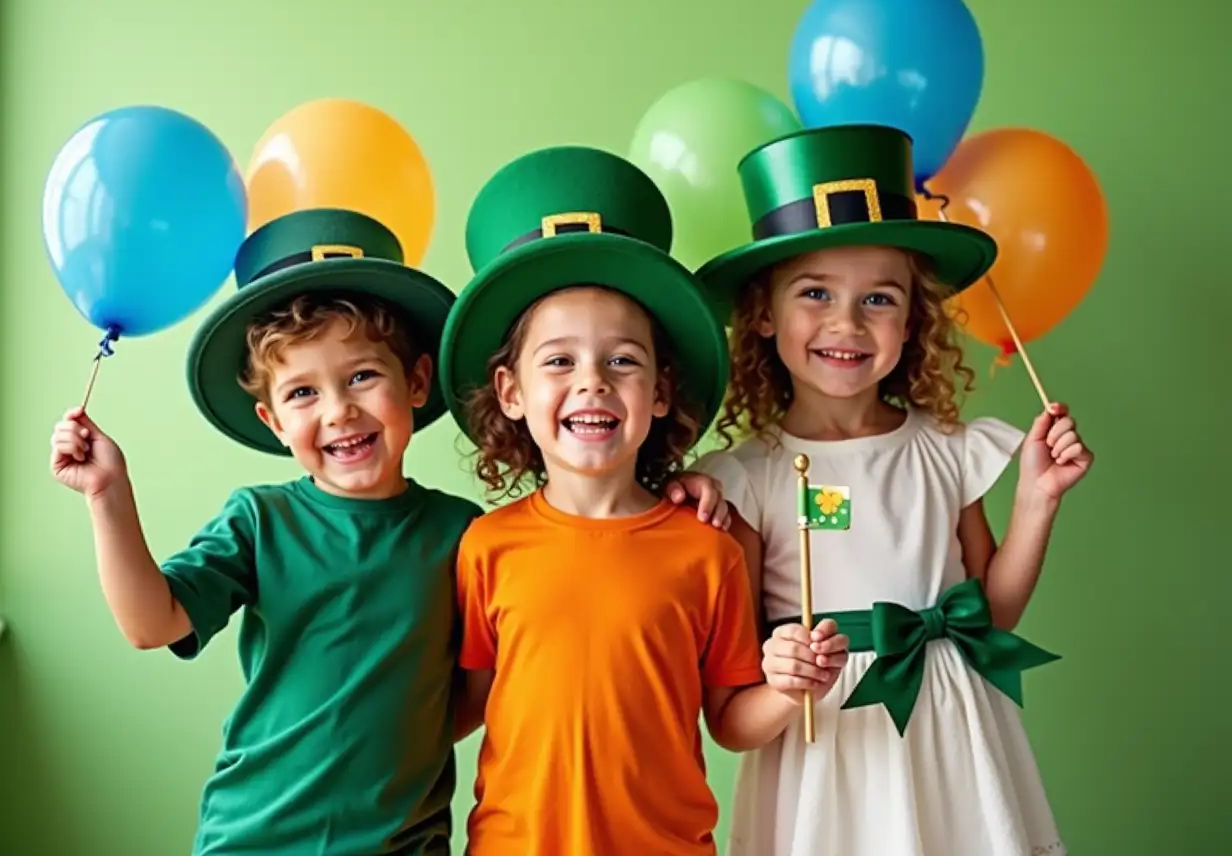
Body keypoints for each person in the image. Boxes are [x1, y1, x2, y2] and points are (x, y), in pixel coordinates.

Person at [49, 208, 729, 856]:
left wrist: (673, 484)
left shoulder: (466, 535)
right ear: (273, 422)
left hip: (406, 843)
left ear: (417, 382)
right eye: (303, 394)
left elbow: (502, 664)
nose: (341, 411)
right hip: (256, 837)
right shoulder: (260, 521)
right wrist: (109, 496)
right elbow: (152, 622)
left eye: (363, 377)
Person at [690, 124, 1094, 856]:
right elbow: (728, 718)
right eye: (815, 292)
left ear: (912, 321)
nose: (847, 322)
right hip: (826, 764)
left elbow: (989, 616)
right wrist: (784, 686)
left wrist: (1038, 500)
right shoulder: (746, 479)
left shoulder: (945, 450)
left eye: (879, 299)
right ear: (762, 314)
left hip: (954, 744)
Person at [437, 145, 851, 855]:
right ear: (512, 392)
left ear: (659, 393)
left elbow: (728, 719)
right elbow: (464, 707)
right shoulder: (486, 545)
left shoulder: (707, 548)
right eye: (559, 360)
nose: (593, 381)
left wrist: (790, 687)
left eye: (623, 360)